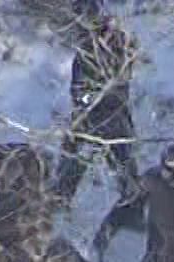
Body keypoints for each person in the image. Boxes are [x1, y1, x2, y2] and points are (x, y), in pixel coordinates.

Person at [54, 7, 142, 207]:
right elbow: (77, 86)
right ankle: (61, 196)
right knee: (75, 150)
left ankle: (131, 194)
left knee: (118, 152)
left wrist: (87, 97)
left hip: (110, 109)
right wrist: (84, 99)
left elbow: (121, 77)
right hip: (92, 110)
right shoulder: (89, 48)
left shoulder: (118, 45)